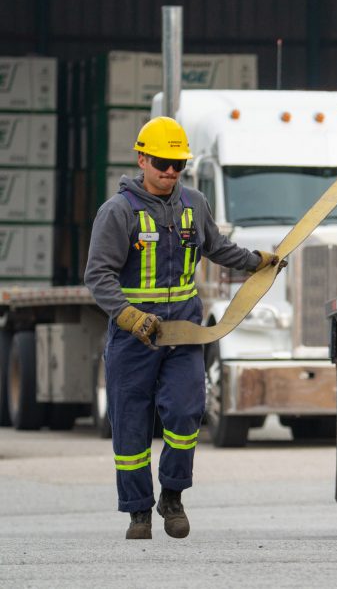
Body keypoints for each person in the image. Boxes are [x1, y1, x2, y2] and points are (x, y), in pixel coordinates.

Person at [84, 116, 279, 540]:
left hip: (184, 335)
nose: (171, 171)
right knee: (132, 426)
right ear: (141, 158)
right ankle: (139, 512)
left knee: (186, 412)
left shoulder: (194, 204)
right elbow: (99, 276)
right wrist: (130, 317)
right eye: (162, 162)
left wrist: (257, 261)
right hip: (134, 337)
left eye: (178, 164)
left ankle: (171, 495)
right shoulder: (117, 212)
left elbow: (217, 247)